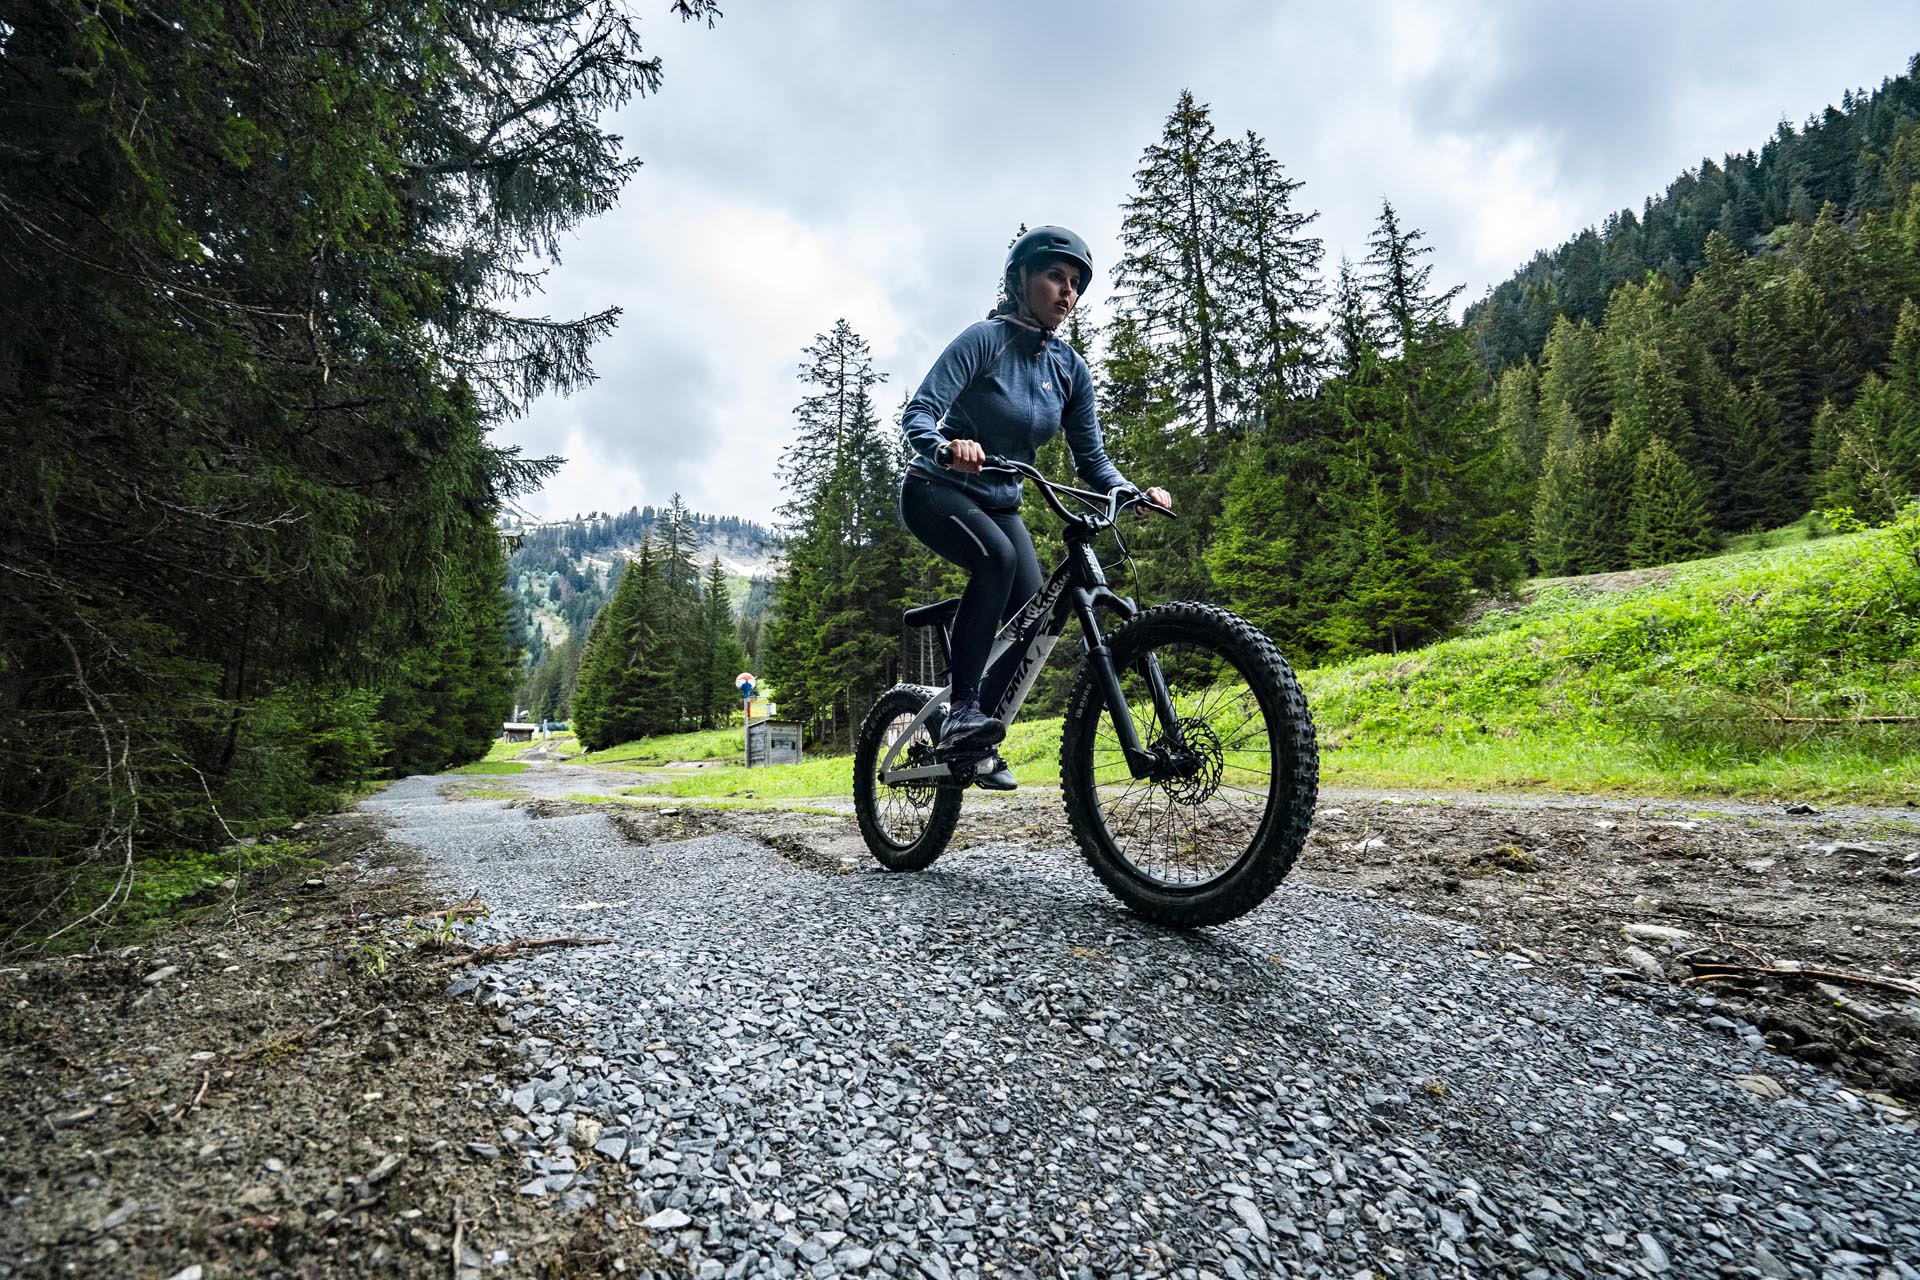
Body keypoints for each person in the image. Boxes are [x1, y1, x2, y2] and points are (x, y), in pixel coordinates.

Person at [899, 225, 1172, 790]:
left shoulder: (1069, 369)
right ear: (1020, 279)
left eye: (1075, 283)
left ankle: (975, 739)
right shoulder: (984, 340)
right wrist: (947, 447)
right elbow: (918, 414)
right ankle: (963, 710)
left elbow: (1092, 460)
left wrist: (1130, 491)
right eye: (1054, 276)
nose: (1067, 292)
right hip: (937, 488)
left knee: (1036, 618)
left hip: (1001, 503)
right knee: (996, 561)